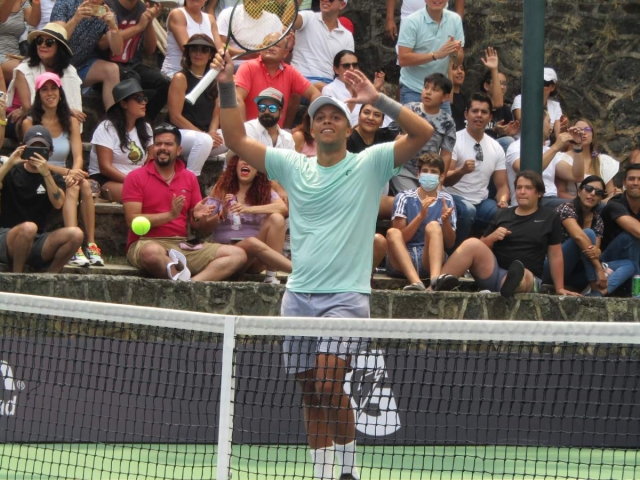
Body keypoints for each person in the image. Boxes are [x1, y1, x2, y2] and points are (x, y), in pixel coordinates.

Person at [214, 44, 433, 480]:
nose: (328, 120)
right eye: (320, 116)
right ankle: (322, 474)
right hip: (298, 297)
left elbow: (423, 133)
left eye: (335, 115)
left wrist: (379, 99)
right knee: (311, 391)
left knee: (331, 382)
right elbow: (236, 139)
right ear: (311, 128)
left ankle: (349, 472)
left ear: (347, 124)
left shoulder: (370, 163)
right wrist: (225, 88)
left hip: (347, 298)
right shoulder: (293, 165)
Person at [122, 123, 248, 281]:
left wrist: (199, 217)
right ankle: (179, 276)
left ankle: (191, 284)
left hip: (181, 244)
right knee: (152, 254)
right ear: (152, 149)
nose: (163, 148)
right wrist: (169, 215)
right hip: (145, 243)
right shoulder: (135, 177)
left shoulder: (188, 177)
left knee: (238, 255)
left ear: (179, 150)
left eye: (168, 144)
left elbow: (199, 228)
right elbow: (132, 220)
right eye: (158, 144)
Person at [435, 171, 579, 298]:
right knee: (471, 243)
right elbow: (481, 245)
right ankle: (435, 286)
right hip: (494, 271)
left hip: (529, 275)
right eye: (519, 187)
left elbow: (555, 255)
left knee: (522, 276)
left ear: (539, 193)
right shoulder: (503, 214)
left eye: (528, 188)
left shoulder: (549, 216)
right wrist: (493, 237)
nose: (522, 191)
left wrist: (559, 288)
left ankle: (512, 284)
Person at [22, 72, 104, 267]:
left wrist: (74, 172)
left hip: (65, 174)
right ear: (38, 93)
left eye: (53, 88)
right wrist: (68, 173)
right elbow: (33, 160)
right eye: (45, 89)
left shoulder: (70, 120)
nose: (50, 93)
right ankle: (73, 245)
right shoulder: (30, 122)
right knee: (76, 185)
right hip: (40, 173)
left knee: (82, 184)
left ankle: (91, 244)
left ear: (60, 92)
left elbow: (77, 157)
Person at [0, 126, 83, 273]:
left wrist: (45, 173)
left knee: (76, 234)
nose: (36, 153)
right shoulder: (11, 171)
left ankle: (49, 277)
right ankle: (17, 276)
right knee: (28, 228)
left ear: (50, 152)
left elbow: (58, 203)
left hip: (36, 240)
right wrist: (10, 163)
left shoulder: (53, 177)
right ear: (24, 149)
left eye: (42, 149)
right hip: (7, 237)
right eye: (32, 148)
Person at [542, 176, 634, 297]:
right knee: (587, 233)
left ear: (601, 198)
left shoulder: (598, 220)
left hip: (579, 273)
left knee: (629, 265)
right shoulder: (566, 208)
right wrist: (599, 269)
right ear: (579, 191)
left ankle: (598, 293)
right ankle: (594, 284)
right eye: (589, 189)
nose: (592, 194)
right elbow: (578, 236)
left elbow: (594, 252)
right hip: (554, 270)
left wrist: (598, 254)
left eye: (598, 192)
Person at [207, 152, 291, 283]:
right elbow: (204, 224)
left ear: (258, 171)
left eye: (251, 161)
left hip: (255, 258)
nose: (246, 163)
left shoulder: (264, 190)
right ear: (235, 165)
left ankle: (270, 276)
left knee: (277, 218)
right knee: (251, 242)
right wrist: (222, 210)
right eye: (242, 159)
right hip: (227, 254)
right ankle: (300, 271)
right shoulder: (222, 188)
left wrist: (248, 209)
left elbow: (283, 209)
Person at [443, 93, 510, 248]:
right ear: (466, 114)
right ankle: (454, 255)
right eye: (475, 111)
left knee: (506, 215)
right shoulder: (454, 140)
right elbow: (444, 178)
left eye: (484, 112)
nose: (479, 115)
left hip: (481, 201)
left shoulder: (496, 147)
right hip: (453, 198)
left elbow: (502, 186)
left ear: (490, 117)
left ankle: (483, 255)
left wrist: (503, 200)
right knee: (468, 211)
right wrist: (462, 171)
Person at [386, 153, 456, 291]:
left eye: (434, 172)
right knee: (392, 232)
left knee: (434, 226)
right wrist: (420, 216)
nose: (428, 175)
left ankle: (435, 280)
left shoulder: (446, 200)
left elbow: (450, 243)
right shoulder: (404, 198)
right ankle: (415, 282)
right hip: (402, 259)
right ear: (418, 174)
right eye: (425, 171)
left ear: (441, 177)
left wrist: (446, 222)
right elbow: (400, 238)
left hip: (429, 258)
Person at [5, 23, 83, 141]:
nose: (42, 45)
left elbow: (76, 108)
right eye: (39, 41)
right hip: (25, 119)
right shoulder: (24, 69)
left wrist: (67, 112)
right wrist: (67, 111)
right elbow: (27, 108)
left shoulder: (70, 71)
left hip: (55, 117)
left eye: (49, 42)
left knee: (72, 122)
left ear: (59, 47)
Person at [167, 34, 227, 176]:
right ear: (188, 52)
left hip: (204, 135)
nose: (198, 53)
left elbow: (215, 114)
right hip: (179, 133)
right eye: (193, 49)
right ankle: (190, 181)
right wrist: (205, 135)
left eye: (204, 49)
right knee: (204, 141)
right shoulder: (180, 78)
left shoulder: (215, 79)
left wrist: (212, 133)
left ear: (211, 54)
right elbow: (175, 117)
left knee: (232, 137)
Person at [234, 32, 320, 128]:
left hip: (277, 137)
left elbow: (315, 94)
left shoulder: (290, 72)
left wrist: (306, 126)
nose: (271, 48)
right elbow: (237, 99)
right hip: (249, 133)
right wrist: (244, 133)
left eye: (276, 45)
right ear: (260, 48)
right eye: (267, 44)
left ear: (285, 53)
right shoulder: (248, 67)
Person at [390, 72, 456, 194]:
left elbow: (446, 154)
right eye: (426, 87)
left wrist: (440, 182)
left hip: (429, 174)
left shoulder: (448, 122)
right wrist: (399, 138)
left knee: (446, 205)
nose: (428, 92)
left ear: (445, 97)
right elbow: (389, 133)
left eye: (435, 90)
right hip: (404, 170)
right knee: (414, 200)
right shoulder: (408, 109)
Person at [51, 0, 123, 110]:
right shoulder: (64, 3)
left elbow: (117, 50)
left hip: (81, 66)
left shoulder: (107, 12)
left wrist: (113, 26)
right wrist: (75, 19)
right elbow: (54, 40)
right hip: (55, 65)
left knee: (112, 70)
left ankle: (113, 119)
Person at [88, 78, 153, 203]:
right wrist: (133, 181)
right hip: (106, 179)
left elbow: (150, 161)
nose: (144, 102)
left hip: (139, 181)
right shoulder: (106, 128)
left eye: (145, 99)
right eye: (139, 99)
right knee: (140, 195)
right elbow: (105, 168)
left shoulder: (146, 128)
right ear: (124, 104)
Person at [505, 110, 584, 208]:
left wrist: (577, 147)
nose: (551, 126)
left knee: (593, 205)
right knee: (579, 206)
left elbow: (577, 176)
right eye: (548, 121)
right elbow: (528, 173)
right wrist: (555, 147)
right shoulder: (516, 147)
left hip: (551, 199)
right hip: (529, 201)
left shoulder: (548, 150)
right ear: (537, 123)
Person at [104, 0, 168, 121]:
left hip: (133, 64)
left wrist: (149, 23)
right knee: (134, 81)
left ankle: (144, 123)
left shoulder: (142, 7)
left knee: (163, 83)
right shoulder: (109, 6)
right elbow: (102, 43)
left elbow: (150, 50)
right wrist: (138, 27)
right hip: (110, 63)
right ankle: (125, 125)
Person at [397, 0, 463, 111]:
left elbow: (458, 60)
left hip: (441, 91)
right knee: (413, 128)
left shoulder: (455, 20)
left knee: (443, 128)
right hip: (413, 89)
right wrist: (435, 55)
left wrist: (453, 53)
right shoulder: (411, 21)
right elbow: (403, 59)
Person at [291, 0, 354, 88]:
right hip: (300, 78)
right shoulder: (308, 17)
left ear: (342, 4)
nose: (325, 0)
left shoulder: (347, 36)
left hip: (328, 84)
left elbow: (347, 69)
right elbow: (290, 19)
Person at [556, 119, 620, 200]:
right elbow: (561, 193)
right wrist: (583, 202)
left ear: (593, 135)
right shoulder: (563, 159)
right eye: (578, 130)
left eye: (587, 129)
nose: (583, 133)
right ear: (571, 134)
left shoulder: (602, 160)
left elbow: (610, 192)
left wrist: (614, 194)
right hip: (573, 205)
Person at [322, 50, 385, 127]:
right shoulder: (329, 90)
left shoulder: (364, 85)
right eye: (346, 65)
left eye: (355, 65)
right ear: (336, 69)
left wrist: (376, 88)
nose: (352, 69)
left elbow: (376, 112)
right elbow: (337, 120)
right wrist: (354, 97)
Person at [161, 0, 223, 79]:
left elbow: (219, 49)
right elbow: (187, 49)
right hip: (176, 73)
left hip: (204, 76)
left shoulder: (210, 18)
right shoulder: (177, 14)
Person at [600, 164, 640, 275]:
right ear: (624, 182)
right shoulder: (615, 204)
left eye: (639, 179)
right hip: (608, 261)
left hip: (634, 257)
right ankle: (633, 286)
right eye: (631, 179)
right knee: (631, 236)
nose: (636, 183)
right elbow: (637, 231)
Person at [478, 47, 518, 152]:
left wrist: (507, 132)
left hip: (496, 150)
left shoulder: (505, 109)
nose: (503, 87)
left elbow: (507, 134)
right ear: (486, 86)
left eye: (505, 84)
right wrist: (494, 130)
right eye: (499, 83)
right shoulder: (477, 103)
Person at [511, 67, 564, 142]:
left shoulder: (555, 106)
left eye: (544, 83)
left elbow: (559, 135)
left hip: (546, 147)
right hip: (522, 143)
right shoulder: (521, 99)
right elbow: (524, 125)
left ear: (552, 87)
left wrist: (564, 127)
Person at [0, 0, 40, 85]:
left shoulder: (22, 2)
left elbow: (34, 21)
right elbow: (2, 17)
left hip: (14, 55)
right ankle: (3, 96)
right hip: (1, 54)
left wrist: (36, 2)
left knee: (39, 69)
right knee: (26, 72)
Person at [385, 0, 465, 41]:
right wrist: (389, 19)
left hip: (439, 18)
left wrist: (458, 22)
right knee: (407, 55)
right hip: (409, 16)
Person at [448, 59, 467, 131]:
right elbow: (449, 101)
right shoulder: (443, 97)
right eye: (454, 68)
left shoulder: (464, 97)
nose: (460, 72)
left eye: (462, 68)